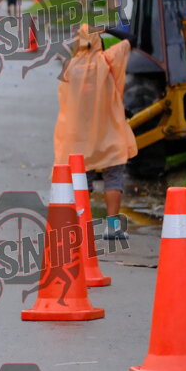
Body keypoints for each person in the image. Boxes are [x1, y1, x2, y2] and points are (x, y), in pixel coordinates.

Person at [53, 24, 138, 240]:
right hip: (108, 132)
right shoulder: (107, 60)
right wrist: (107, 28)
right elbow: (132, 39)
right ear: (97, 39)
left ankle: (80, 226)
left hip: (78, 138)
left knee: (82, 181)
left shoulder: (70, 68)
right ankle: (113, 227)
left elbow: (66, 103)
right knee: (114, 178)